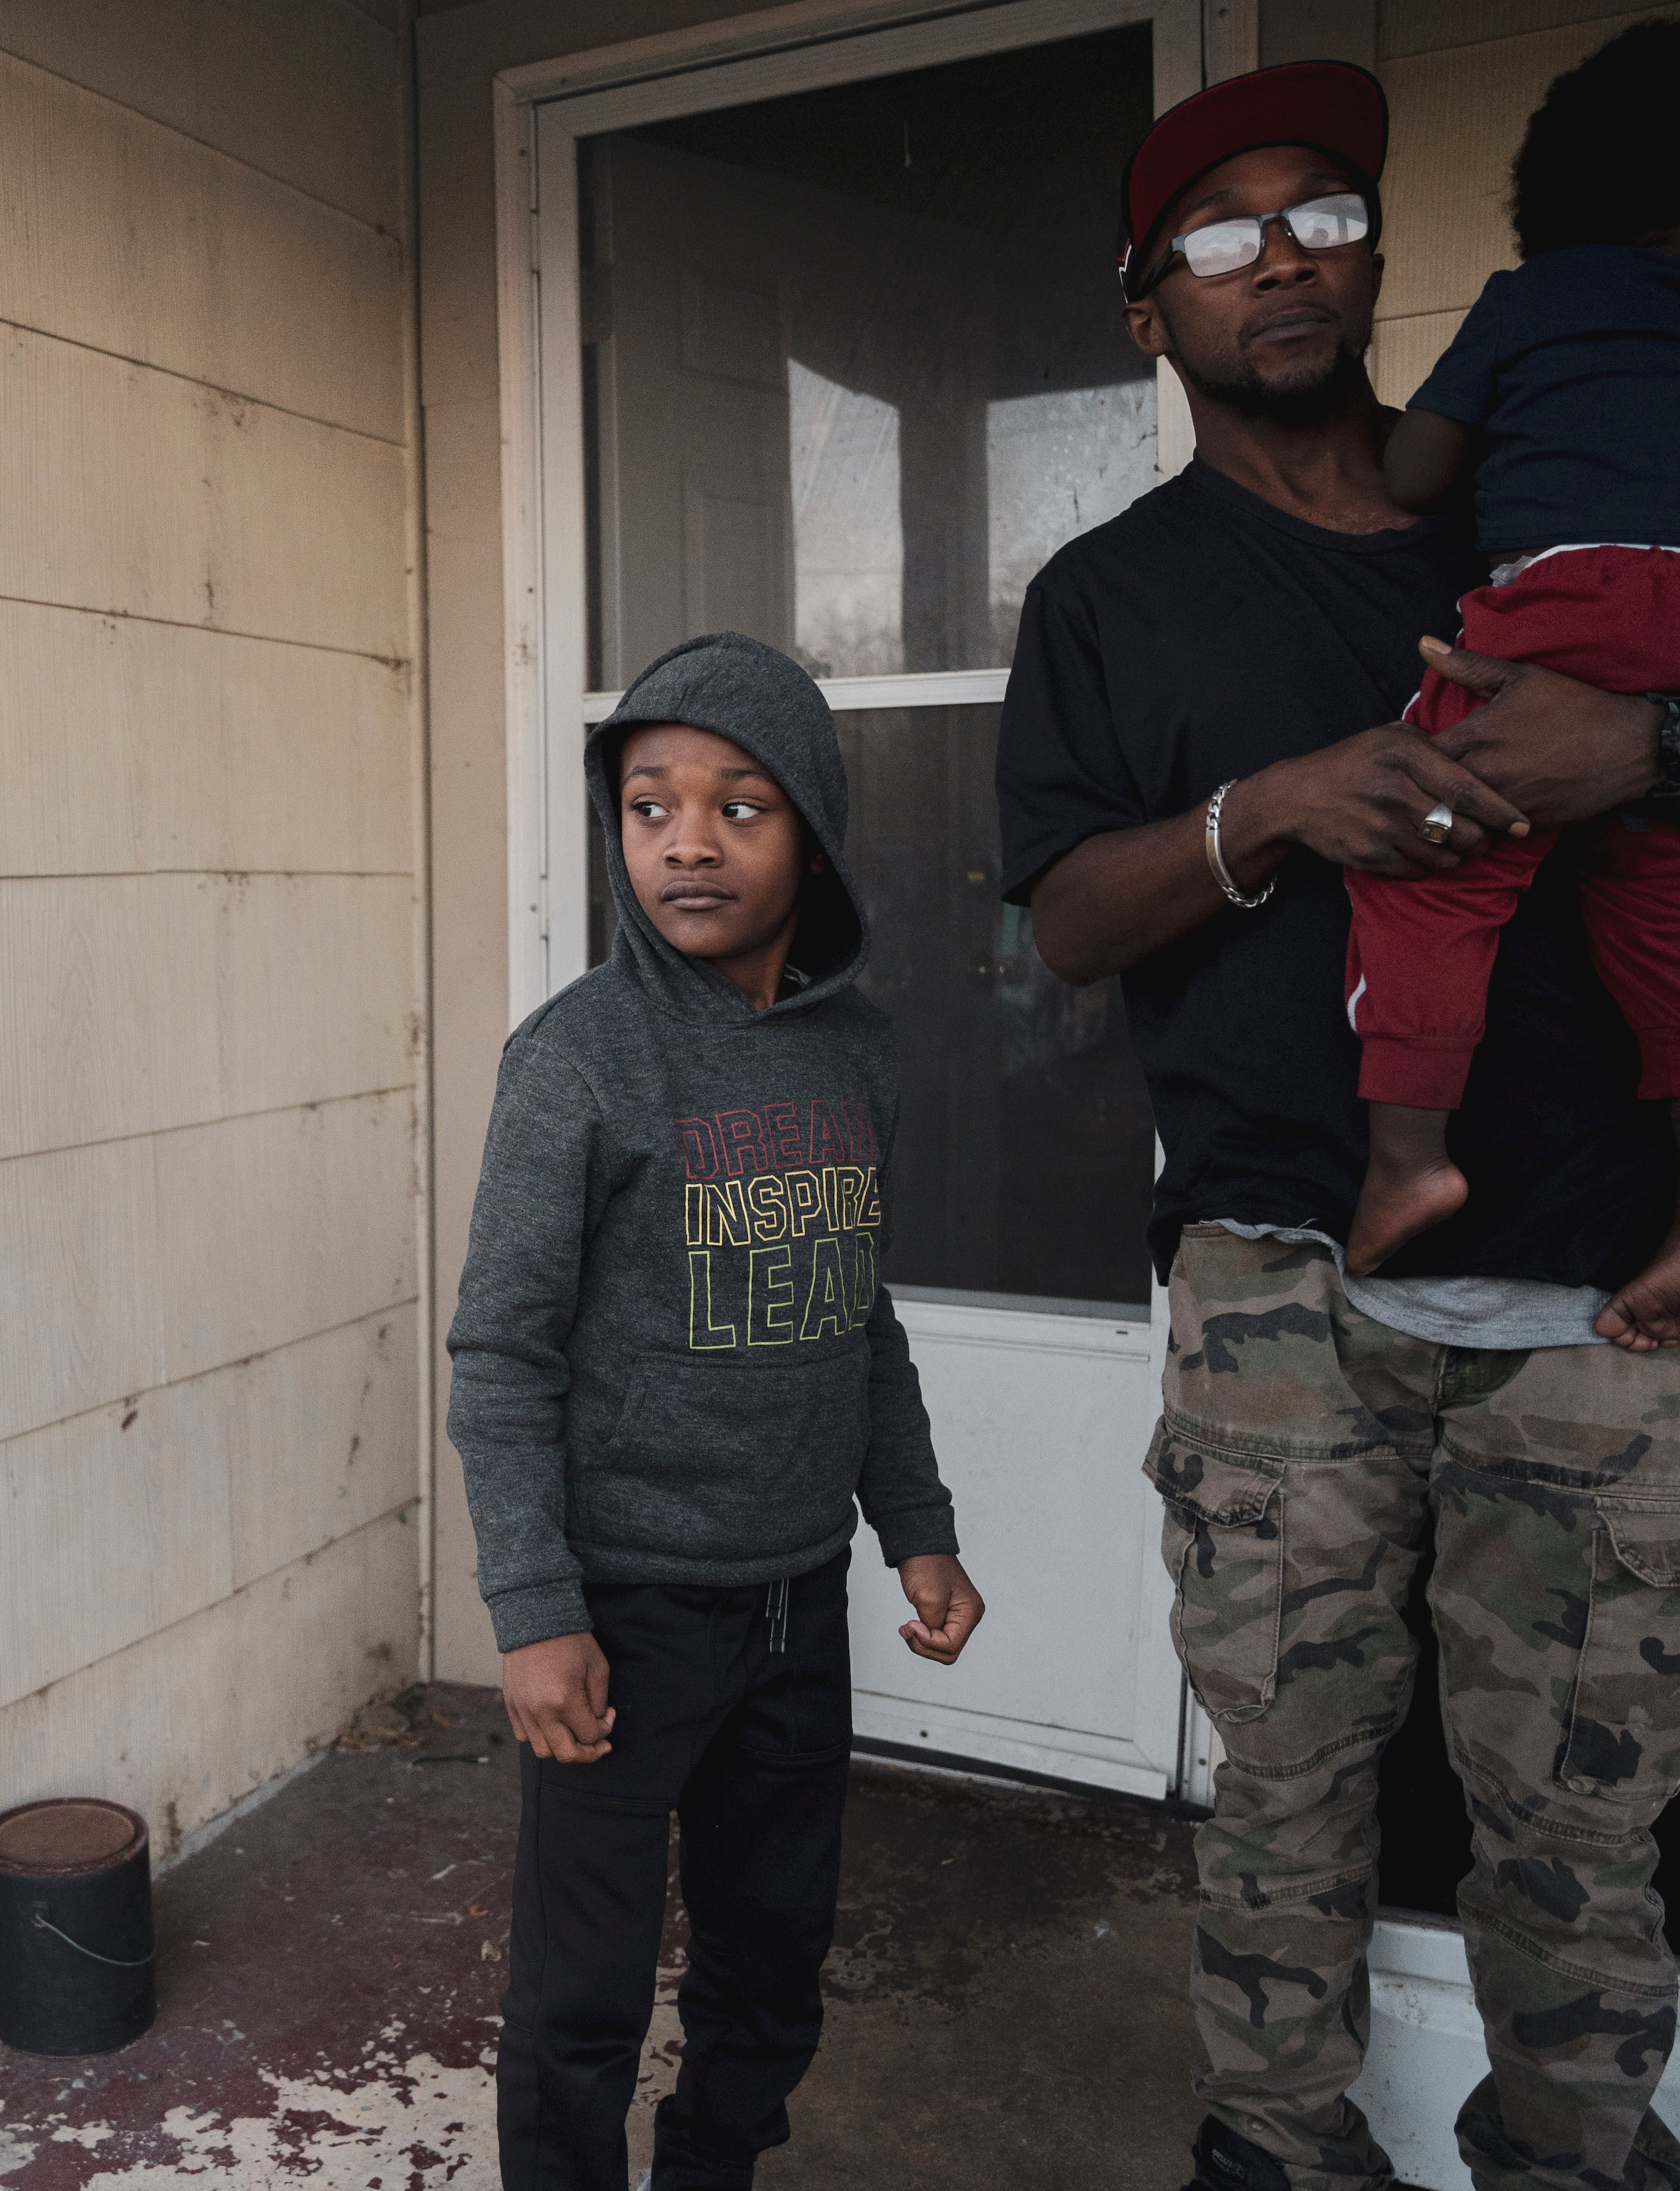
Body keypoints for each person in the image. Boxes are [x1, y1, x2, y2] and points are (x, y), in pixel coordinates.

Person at [997, 53, 1680, 2191]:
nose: (1285, 254)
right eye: (1223, 228)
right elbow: (1074, 915)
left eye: (1326, 214)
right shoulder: (1106, 598)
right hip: (1289, 1289)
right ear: (1143, 306)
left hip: (1613, 1299)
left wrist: (1653, 737)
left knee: (1585, 1807)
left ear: (1377, 261)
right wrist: (1268, 811)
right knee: (1288, 1778)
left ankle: (1572, 2150)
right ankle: (1275, 2142)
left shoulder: (1536, 504)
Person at [450, 632, 986, 2191]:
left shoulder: (858, 1053)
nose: (686, 838)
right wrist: (536, 1607)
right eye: (648, 804)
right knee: (582, 1993)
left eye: (739, 804)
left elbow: (853, 1312)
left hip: (791, 1603)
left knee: (769, 1965)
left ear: (811, 826)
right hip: (622, 1608)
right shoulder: (578, 1059)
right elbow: (501, 1352)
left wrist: (920, 1528)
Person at [1347, 9, 1680, 1331]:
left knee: (1434, 861)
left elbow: (1414, 471)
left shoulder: (1533, 300)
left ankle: (1407, 1157)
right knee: (1676, 927)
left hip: (1563, 605)